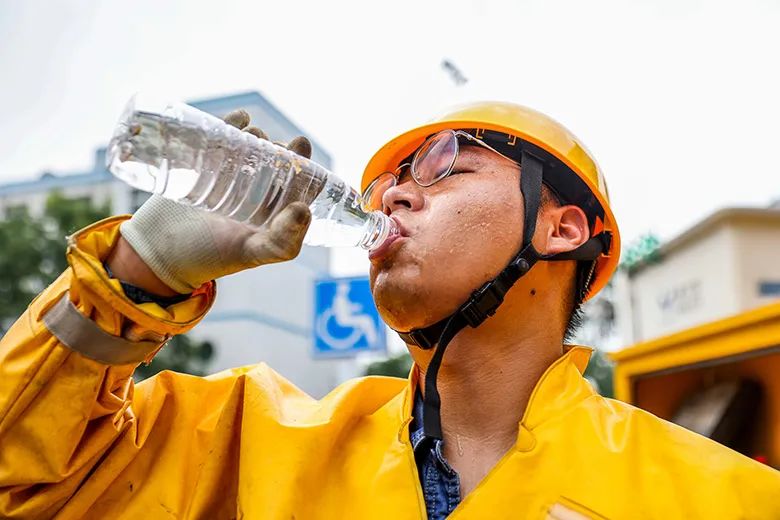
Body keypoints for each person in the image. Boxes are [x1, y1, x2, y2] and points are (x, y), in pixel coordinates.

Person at [0, 103, 777, 519]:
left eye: (445, 164)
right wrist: (139, 271)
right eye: (385, 185)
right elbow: (24, 485)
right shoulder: (243, 441)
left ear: (562, 226)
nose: (395, 194)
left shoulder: (726, 498)